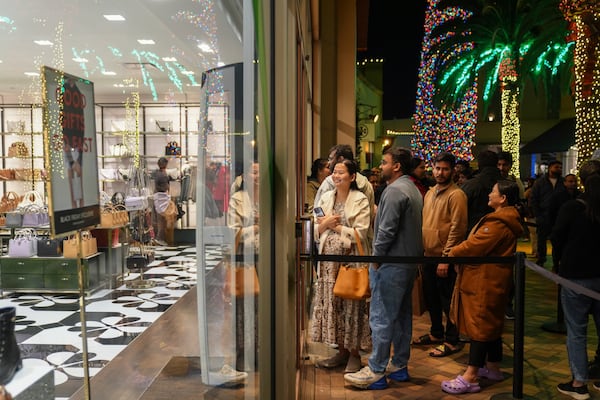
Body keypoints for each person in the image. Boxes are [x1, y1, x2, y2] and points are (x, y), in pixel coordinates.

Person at [344, 147, 423, 390]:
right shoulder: (412, 189)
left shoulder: (395, 191)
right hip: (407, 263)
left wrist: (375, 259)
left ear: (397, 166)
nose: (381, 165)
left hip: (391, 264)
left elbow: (386, 232)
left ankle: (377, 370)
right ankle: (399, 366)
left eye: (385, 161)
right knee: (400, 317)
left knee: (381, 316)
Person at [440, 180, 524, 394]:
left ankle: (471, 376)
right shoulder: (504, 218)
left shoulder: (498, 222)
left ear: (502, 198)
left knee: (480, 326)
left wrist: (452, 252)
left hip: (485, 281)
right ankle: (493, 368)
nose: (489, 194)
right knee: (490, 324)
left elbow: (475, 245)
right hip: (490, 279)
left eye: (492, 192)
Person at [311, 159, 371, 374]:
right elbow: (315, 225)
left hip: (351, 260)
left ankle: (355, 354)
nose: (336, 176)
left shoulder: (360, 199)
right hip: (328, 263)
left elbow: (360, 232)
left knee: (352, 306)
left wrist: (335, 228)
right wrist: (326, 225)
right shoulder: (326, 197)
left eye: (341, 173)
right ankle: (342, 351)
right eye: (334, 172)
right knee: (333, 306)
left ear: (352, 177)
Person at [551, 160, 600, 400]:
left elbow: (557, 237)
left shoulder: (572, 208)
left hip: (576, 277)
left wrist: (558, 262)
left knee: (577, 330)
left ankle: (579, 382)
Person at [413, 152, 468, 358]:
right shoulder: (429, 192)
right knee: (431, 298)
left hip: (445, 257)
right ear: (432, 168)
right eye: (437, 168)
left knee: (448, 301)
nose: (440, 172)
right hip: (428, 254)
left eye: (445, 169)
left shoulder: (457, 195)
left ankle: (452, 340)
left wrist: (446, 258)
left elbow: (458, 228)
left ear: (452, 170)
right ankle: (437, 333)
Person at [314, 144, 375, 239]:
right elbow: (317, 218)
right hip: (326, 248)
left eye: (331, 159)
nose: (329, 163)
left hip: (354, 247)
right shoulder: (327, 194)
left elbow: (363, 228)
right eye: (335, 173)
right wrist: (325, 223)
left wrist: (332, 225)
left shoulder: (361, 198)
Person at [530, 160, 565, 267]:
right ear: (550, 168)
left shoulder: (563, 182)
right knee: (541, 239)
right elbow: (534, 199)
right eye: (556, 167)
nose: (559, 169)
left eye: (560, 167)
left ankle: (556, 261)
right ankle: (541, 259)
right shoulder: (540, 182)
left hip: (559, 216)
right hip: (544, 215)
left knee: (558, 240)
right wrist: (538, 214)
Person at [460, 150, 501, 233]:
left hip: (474, 230)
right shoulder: (507, 184)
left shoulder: (471, 184)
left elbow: (459, 209)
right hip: (500, 230)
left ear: (479, 164)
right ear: (497, 163)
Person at [152, 157, 175, 245]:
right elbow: (165, 187)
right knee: (162, 219)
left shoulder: (157, 173)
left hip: (157, 197)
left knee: (157, 218)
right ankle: (159, 238)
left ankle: (156, 237)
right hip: (162, 198)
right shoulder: (163, 175)